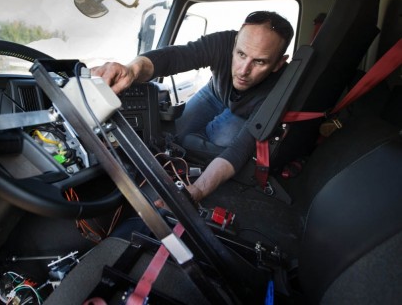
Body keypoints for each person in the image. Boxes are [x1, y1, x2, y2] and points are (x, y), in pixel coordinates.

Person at [92, 11, 294, 203]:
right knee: (177, 137)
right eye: (241, 54)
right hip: (213, 94)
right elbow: (175, 57)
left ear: (278, 64)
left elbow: (240, 149)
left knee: (219, 139)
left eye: (259, 62)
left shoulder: (279, 89)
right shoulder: (224, 41)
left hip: (244, 113)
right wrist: (132, 69)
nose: (243, 70)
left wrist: (198, 189)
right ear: (236, 42)